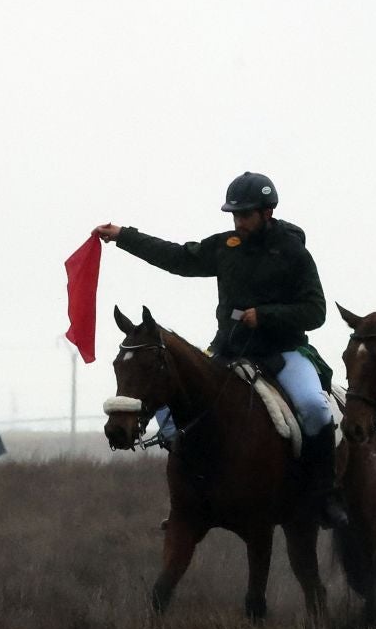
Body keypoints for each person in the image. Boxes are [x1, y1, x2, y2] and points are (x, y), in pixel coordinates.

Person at [93, 171, 347, 532]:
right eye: (234, 215)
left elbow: (316, 311)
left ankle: (325, 495)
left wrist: (267, 316)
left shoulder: (293, 253)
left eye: (245, 215)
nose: (238, 222)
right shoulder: (225, 247)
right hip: (229, 350)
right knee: (171, 409)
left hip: (283, 351)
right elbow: (178, 258)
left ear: (267, 212)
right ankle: (191, 497)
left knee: (314, 407)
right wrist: (124, 237)